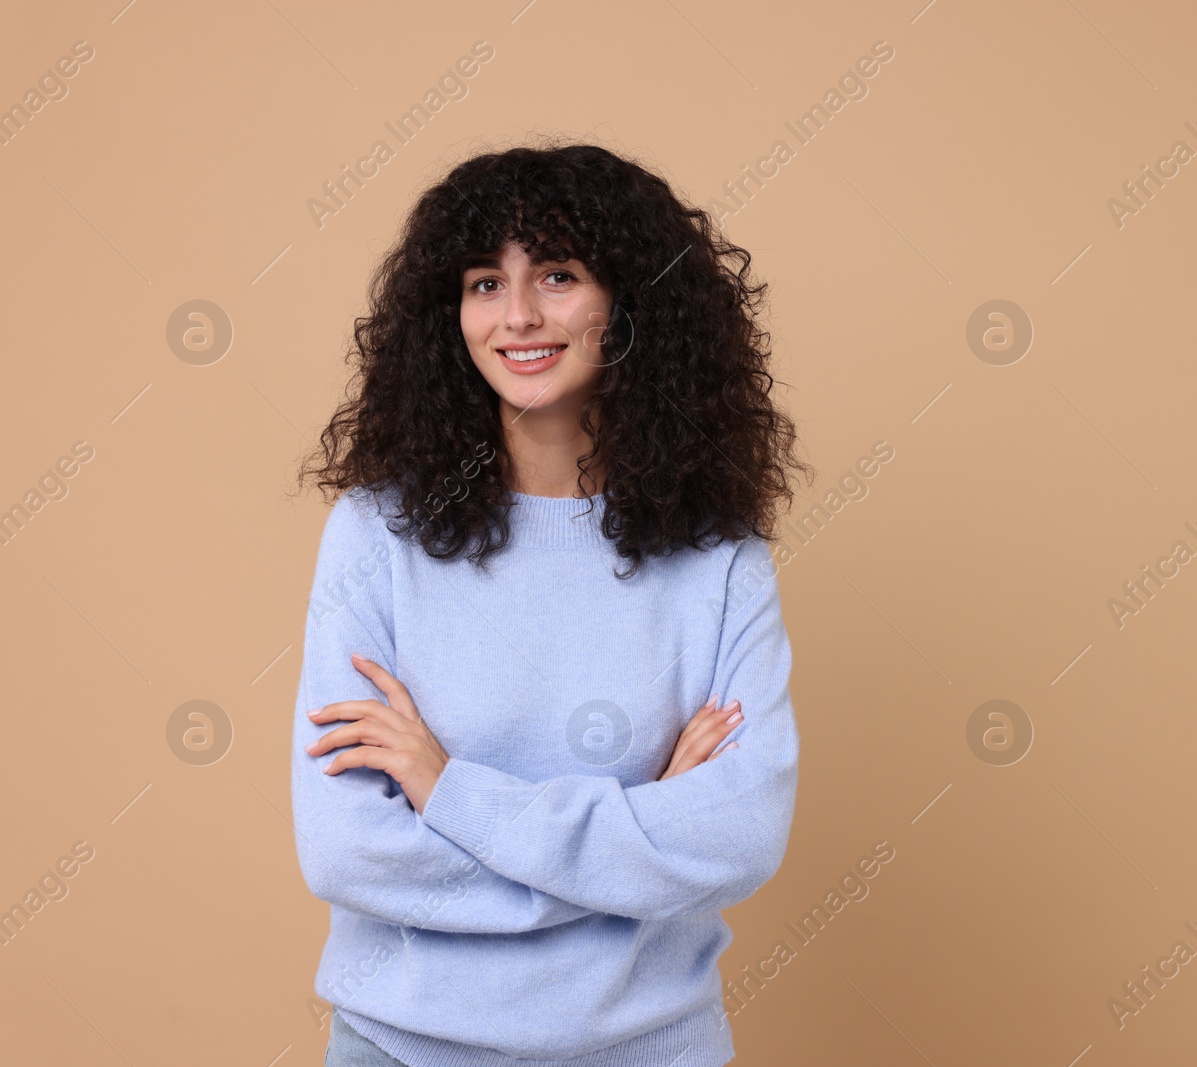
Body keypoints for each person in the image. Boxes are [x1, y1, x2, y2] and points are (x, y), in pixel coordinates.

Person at [291, 139, 813, 1067]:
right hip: (401, 1048)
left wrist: (450, 792)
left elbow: (737, 839)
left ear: (633, 301)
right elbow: (346, 853)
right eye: (485, 282)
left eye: (560, 275)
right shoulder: (377, 535)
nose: (519, 315)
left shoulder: (720, 561)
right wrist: (643, 827)